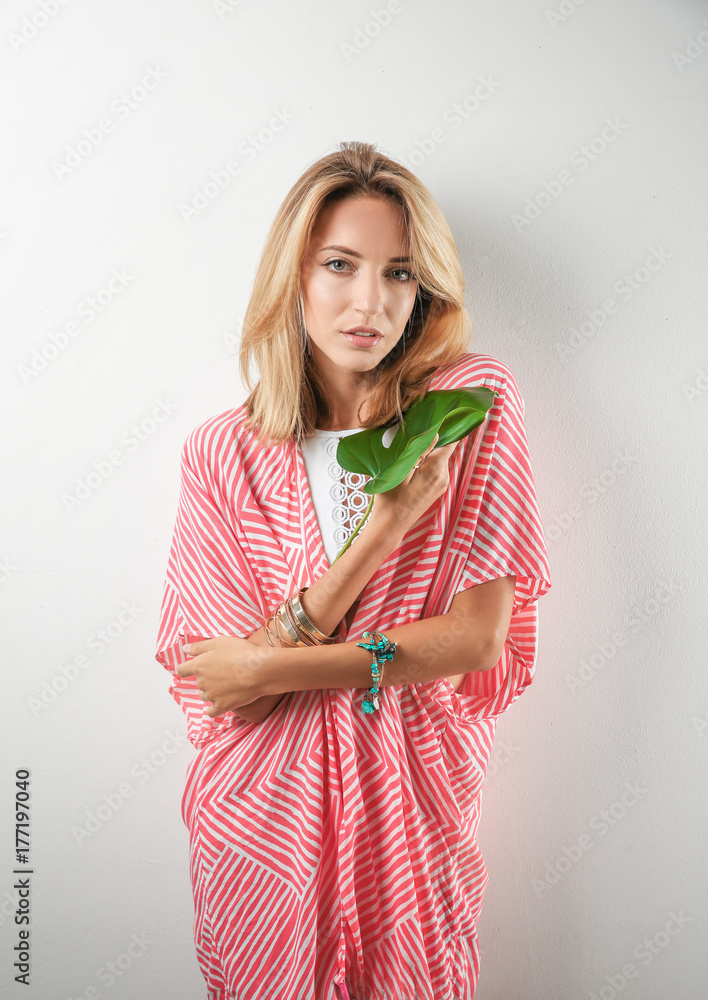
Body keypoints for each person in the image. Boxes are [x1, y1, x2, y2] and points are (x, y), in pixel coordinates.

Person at [155, 140, 552, 1000]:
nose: (370, 301)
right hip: (259, 825)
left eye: (400, 274)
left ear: (425, 289)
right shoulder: (222, 454)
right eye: (340, 265)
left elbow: (476, 641)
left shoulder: (467, 409)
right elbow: (219, 691)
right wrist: (380, 535)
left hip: (410, 811)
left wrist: (268, 663)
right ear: (293, 274)